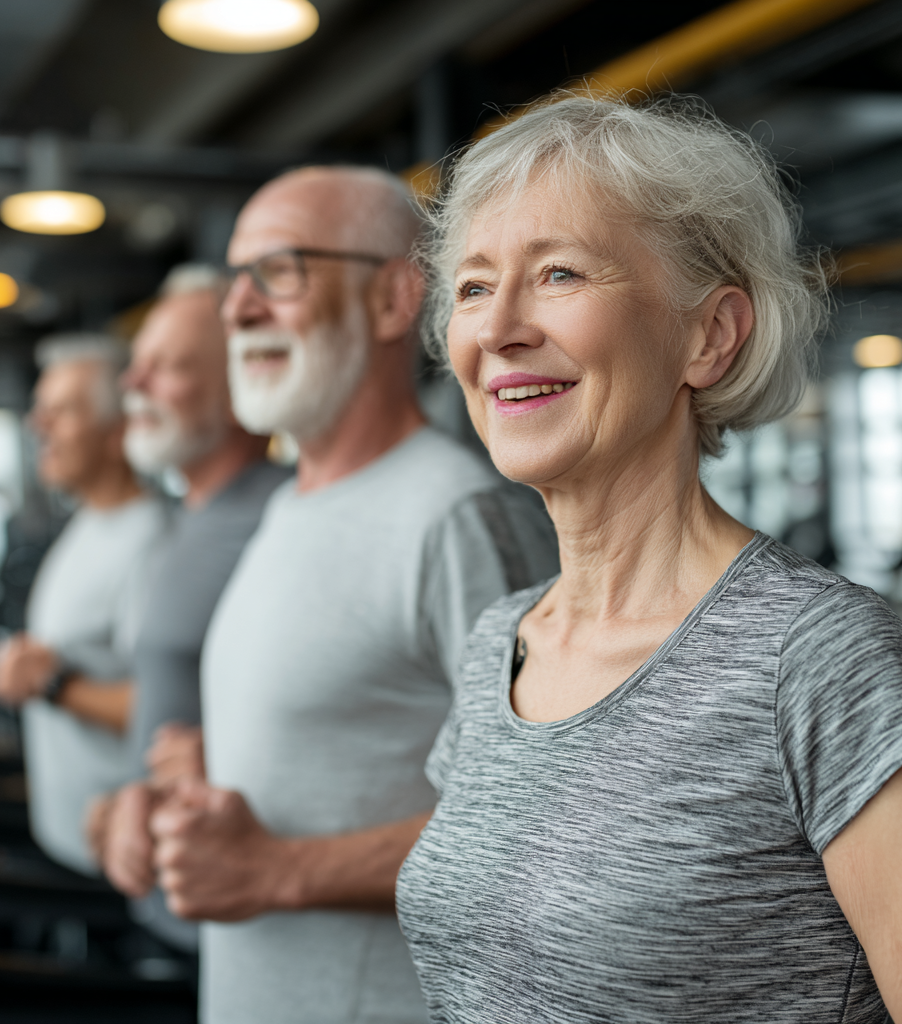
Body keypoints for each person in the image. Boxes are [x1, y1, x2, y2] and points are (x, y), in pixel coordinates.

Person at [394, 95, 902, 1024]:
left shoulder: (817, 658)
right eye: (470, 286)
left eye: (559, 274)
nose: (498, 327)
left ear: (711, 335)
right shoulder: (501, 641)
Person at [148, 165, 559, 1024]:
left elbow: (542, 819)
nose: (238, 309)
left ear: (392, 299)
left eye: (280, 271)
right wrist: (175, 799)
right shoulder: (292, 503)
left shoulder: (454, 512)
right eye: (235, 280)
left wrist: (276, 871)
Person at [87, 265, 288, 952]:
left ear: (238, 391)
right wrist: (123, 801)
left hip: (239, 926)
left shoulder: (278, 517)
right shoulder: (186, 517)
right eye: (136, 365)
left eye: (165, 367)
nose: (131, 385)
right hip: (169, 907)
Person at [0, 334, 167, 874]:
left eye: (60, 411)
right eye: (40, 410)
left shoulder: (151, 542)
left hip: (115, 853)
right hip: (63, 833)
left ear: (118, 432)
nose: (37, 426)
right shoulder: (89, 521)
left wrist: (52, 683)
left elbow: (165, 708)